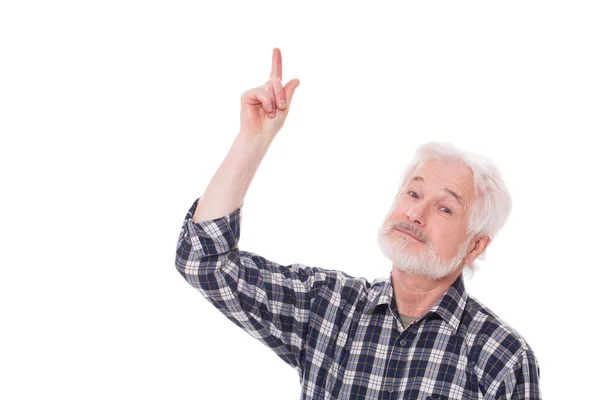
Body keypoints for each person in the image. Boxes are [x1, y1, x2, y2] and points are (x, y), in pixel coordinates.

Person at [174, 47, 542, 399]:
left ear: (475, 245)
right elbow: (203, 261)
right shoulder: (329, 306)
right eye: (413, 195)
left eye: (444, 209)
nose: (416, 214)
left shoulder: (502, 358)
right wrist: (252, 141)